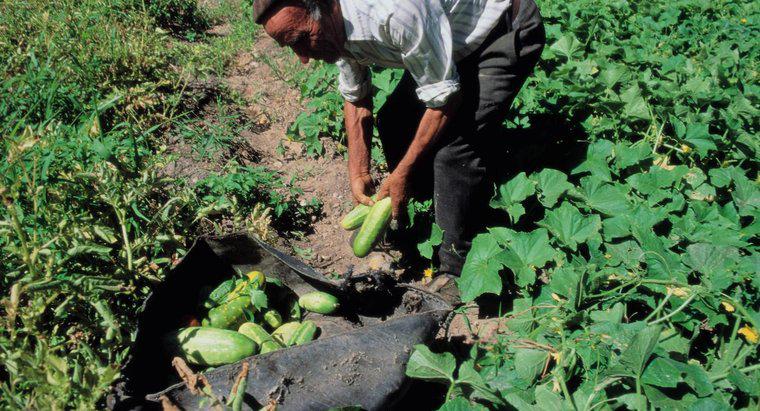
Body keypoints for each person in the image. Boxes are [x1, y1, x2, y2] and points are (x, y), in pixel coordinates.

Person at [254, 0, 545, 302]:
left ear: (326, 7)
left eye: (302, 40)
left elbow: (445, 101)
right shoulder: (330, 27)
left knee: (454, 151)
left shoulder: (395, 12)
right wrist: (359, 169)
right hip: (445, 39)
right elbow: (356, 98)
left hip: (497, 32)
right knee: (394, 121)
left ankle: (457, 267)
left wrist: (402, 172)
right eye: (291, 46)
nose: (302, 58)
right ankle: (414, 217)